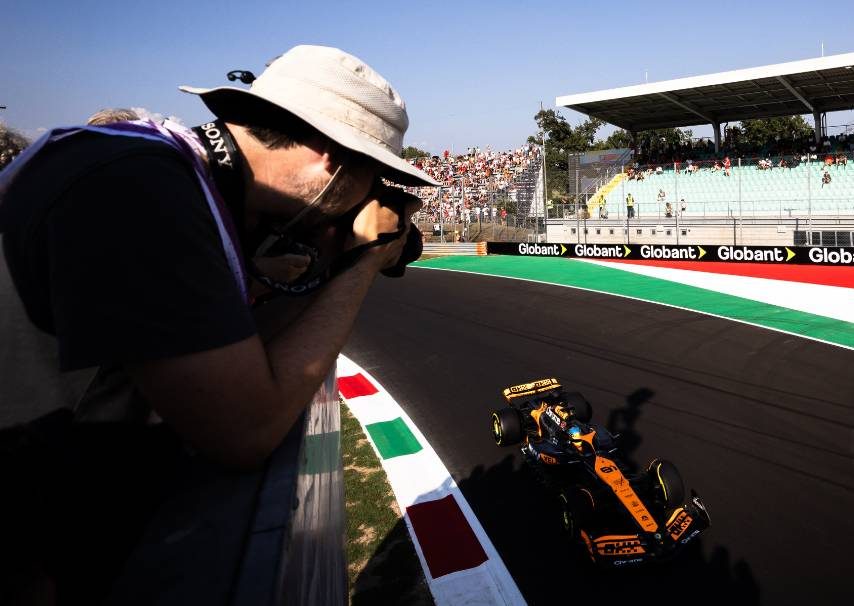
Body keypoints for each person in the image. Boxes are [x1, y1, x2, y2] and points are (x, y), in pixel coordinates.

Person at [0, 45, 437, 603]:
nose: (371, 197)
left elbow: (249, 348)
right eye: (373, 177)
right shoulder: (140, 188)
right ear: (333, 159)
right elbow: (245, 430)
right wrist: (361, 263)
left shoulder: (166, 174)